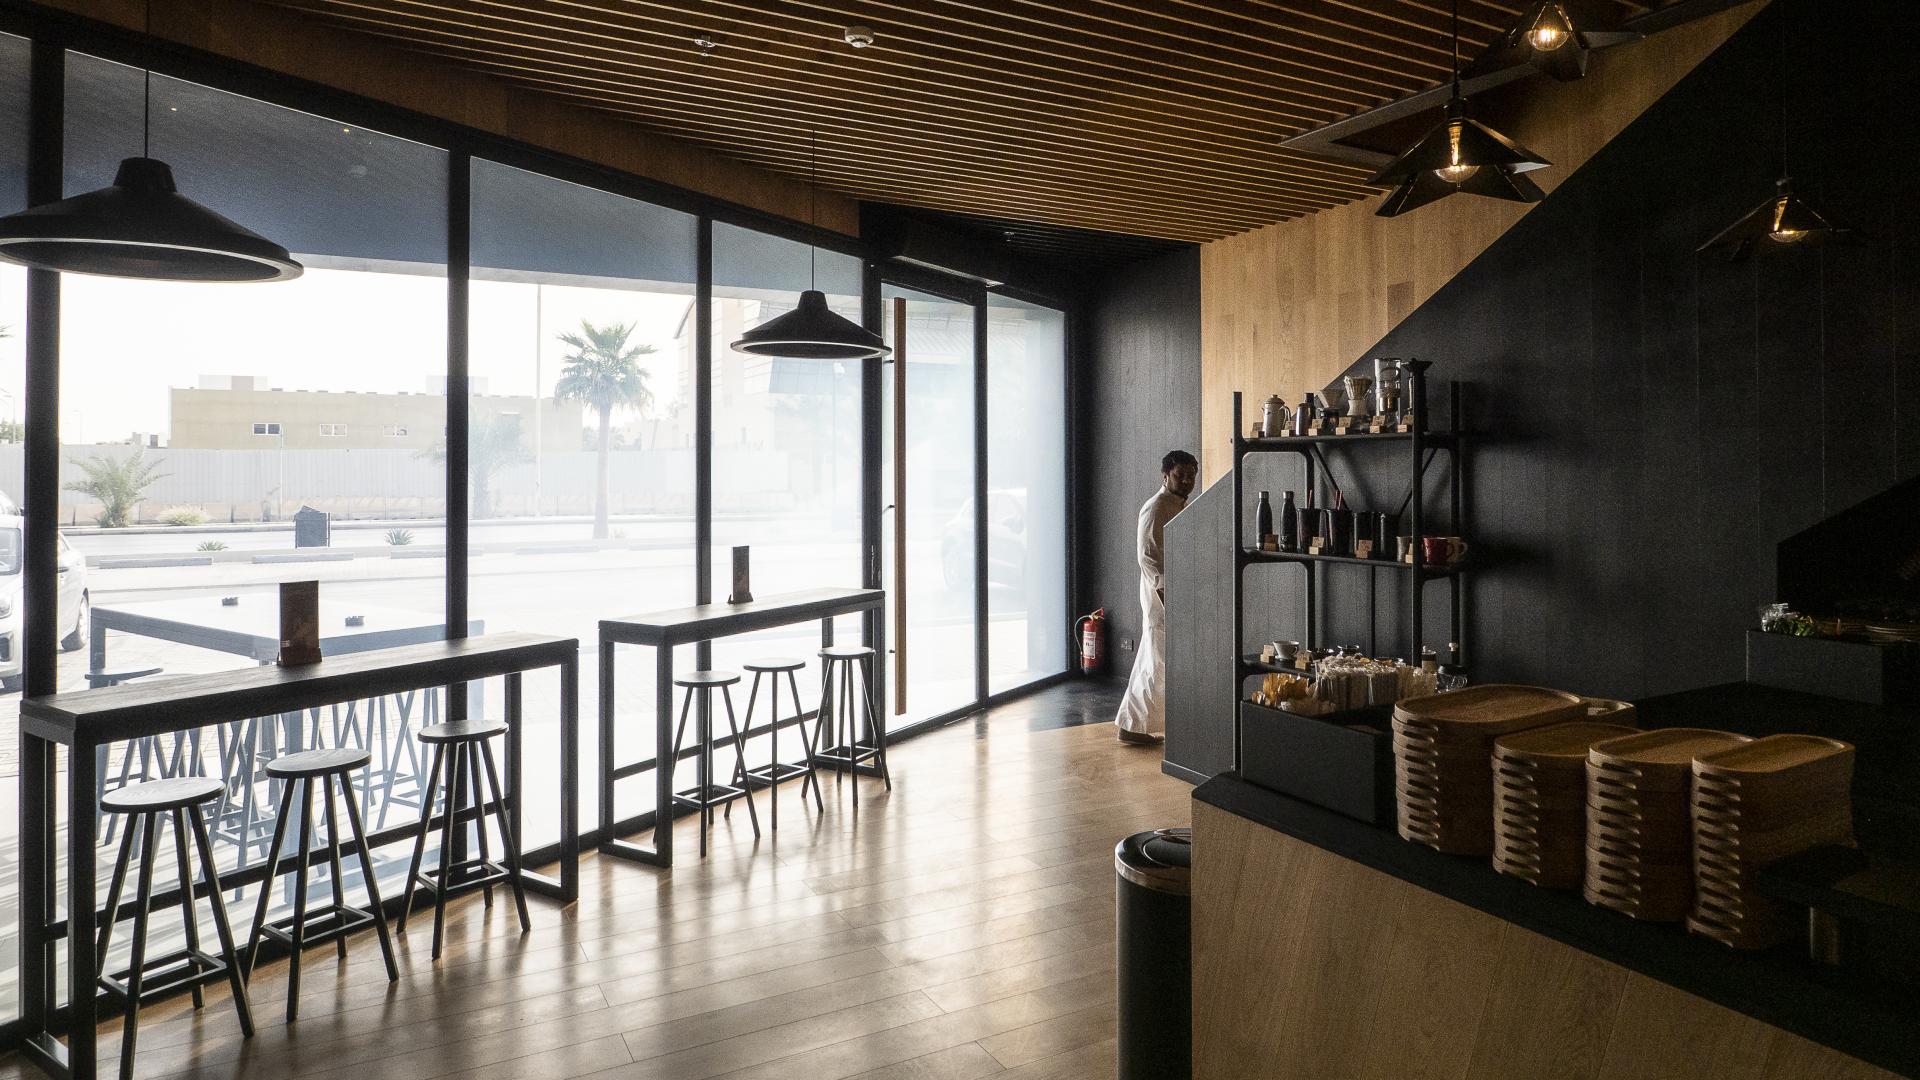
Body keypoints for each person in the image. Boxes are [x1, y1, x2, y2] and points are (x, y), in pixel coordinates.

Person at [1116, 449, 1197, 745]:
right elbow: (1148, 557)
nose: (1187, 481)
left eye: (1191, 476)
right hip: (1161, 595)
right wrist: (1166, 592)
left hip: (1175, 591)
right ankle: (1133, 726)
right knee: (1159, 662)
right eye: (1180, 475)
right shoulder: (1156, 506)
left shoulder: (1179, 505)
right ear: (1165, 475)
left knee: (1154, 660)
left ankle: (1133, 725)